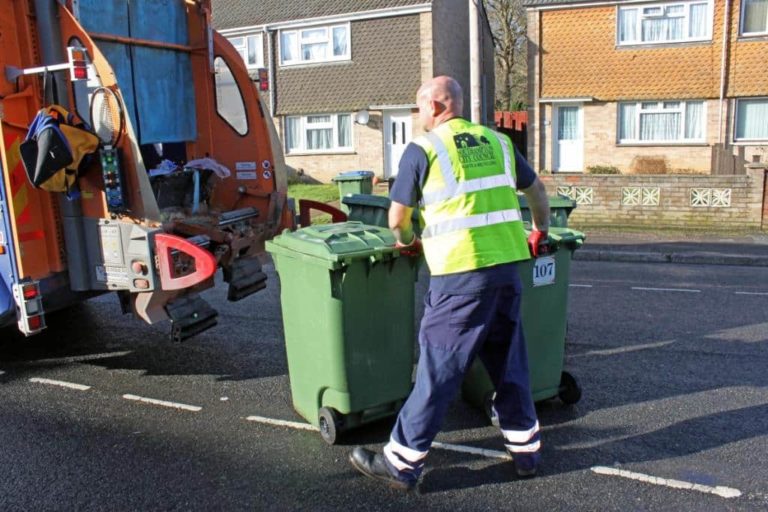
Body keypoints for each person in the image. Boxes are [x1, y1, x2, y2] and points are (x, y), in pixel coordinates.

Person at [348, 76, 551, 491]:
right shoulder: (497, 142)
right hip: (506, 270)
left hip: (460, 276)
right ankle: (526, 451)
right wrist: (539, 230)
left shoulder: (423, 149)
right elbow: (536, 190)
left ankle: (402, 463)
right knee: (509, 362)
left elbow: (397, 219)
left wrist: (407, 242)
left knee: (438, 370)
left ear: (438, 106)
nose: (418, 115)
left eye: (419, 107)